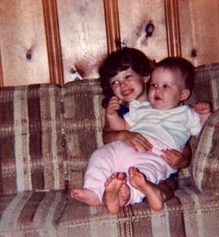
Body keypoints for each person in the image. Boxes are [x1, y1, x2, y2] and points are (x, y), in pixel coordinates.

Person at [71, 54, 211, 214]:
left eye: (165, 86)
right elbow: (118, 128)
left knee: (141, 174)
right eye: (155, 85)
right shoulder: (138, 109)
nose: (158, 89)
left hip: (157, 153)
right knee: (99, 156)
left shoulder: (186, 113)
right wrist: (112, 116)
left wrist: (205, 115)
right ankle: (94, 191)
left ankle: (127, 196)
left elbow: (204, 132)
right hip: (124, 149)